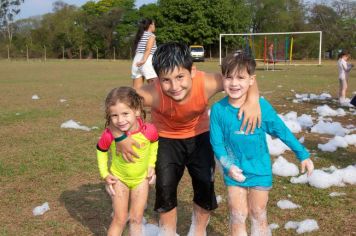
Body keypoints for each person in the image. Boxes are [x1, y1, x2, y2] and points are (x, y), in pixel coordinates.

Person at [111, 42, 261, 236]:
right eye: (166, 80)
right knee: (165, 187)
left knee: (205, 184)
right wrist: (120, 137)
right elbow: (115, 108)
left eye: (180, 77)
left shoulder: (208, 82)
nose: (174, 86)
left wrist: (253, 100)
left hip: (200, 137)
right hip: (165, 140)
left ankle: (197, 230)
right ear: (157, 78)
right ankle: (168, 232)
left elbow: (242, 75)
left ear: (192, 70)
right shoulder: (151, 93)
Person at [209, 53, 314, 236]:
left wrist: (302, 154)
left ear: (251, 80)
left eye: (241, 77)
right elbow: (216, 143)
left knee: (258, 213)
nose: (234, 83)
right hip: (234, 169)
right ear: (222, 78)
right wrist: (228, 165)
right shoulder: (218, 109)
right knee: (238, 214)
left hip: (260, 169)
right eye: (228, 77)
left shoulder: (261, 107)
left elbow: (282, 131)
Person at [96, 87, 158, 235]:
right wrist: (105, 174)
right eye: (114, 116)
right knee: (120, 218)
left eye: (125, 113)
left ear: (136, 110)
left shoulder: (149, 130)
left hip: (141, 180)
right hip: (119, 180)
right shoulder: (110, 134)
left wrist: (151, 165)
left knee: (137, 218)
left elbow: (154, 144)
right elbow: (101, 151)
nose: (120, 120)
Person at [131, 19, 158, 90]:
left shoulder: (139, 35)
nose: (155, 26)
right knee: (155, 88)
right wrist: (143, 60)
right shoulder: (151, 35)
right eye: (154, 24)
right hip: (146, 60)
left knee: (136, 90)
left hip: (136, 61)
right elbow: (148, 49)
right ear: (150, 25)